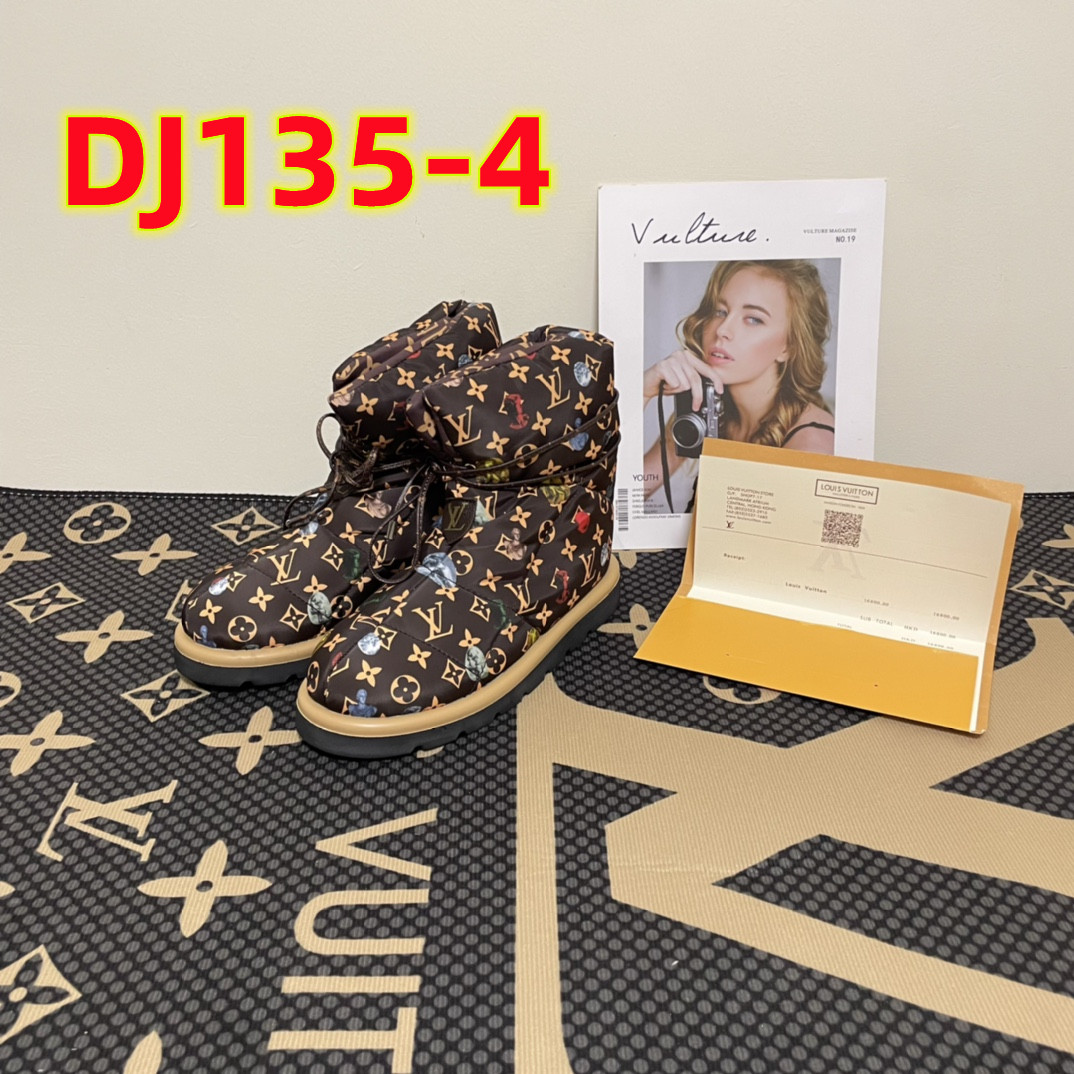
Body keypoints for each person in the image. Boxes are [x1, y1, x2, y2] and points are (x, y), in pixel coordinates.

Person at [642, 259, 834, 512]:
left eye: (753, 319)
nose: (722, 329)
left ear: (789, 346)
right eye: (719, 311)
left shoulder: (812, 445)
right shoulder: (712, 411)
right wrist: (642, 392)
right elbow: (625, 496)